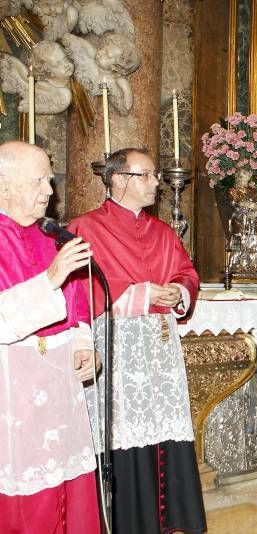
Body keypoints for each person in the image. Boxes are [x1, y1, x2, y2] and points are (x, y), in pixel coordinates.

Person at [68, 148, 206, 534]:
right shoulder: (85, 228)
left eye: (154, 175)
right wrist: (141, 294)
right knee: (122, 434)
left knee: (163, 433)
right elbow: (77, 288)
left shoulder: (162, 231)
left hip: (159, 349)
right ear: (118, 180)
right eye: (145, 175)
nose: (155, 183)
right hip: (117, 349)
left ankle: (163, 523)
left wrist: (179, 292)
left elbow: (186, 272)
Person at [0, 141, 99, 532]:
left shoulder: (49, 236)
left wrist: (84, 346)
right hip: (13, 398)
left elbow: (77, 307)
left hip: (60, 393)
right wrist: (51, 279)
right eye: (38, 181)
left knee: (69, 488)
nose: (50, 191)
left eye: (50, 179)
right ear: (4, 186)